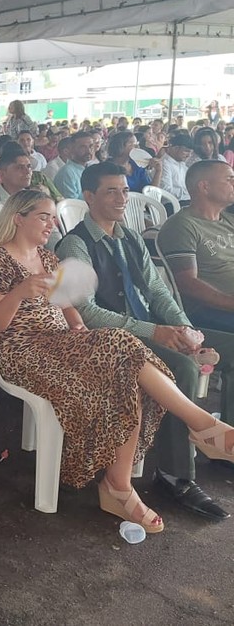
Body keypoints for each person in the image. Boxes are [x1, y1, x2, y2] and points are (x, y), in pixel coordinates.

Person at [0, 189, 234, 532]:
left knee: (123, 367)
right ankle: (196, 430)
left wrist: (76, 323)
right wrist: (19, 292)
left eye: (52, 217)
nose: (51, 224)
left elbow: (65, 304)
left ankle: (119, 486)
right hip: (24, 351)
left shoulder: (47, 258)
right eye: (43, 217)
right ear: (18, 218)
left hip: (62, 342)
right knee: (120, 343)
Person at [56, 161, 233, 520]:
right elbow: (87, 313)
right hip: (115, 338)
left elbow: (157, 291)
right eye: (111, 191)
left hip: (150, 326)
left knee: (224, 348)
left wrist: (187, 330)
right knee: (180, 367)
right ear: (88, 196)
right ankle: (175, 475)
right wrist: (157, 332)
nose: (122, 198)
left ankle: (224, 443)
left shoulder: (130, 237)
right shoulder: (76, 244)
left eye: (124, 190)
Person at [158, 160, 234, 334]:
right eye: (229, 179)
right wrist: (231, 303)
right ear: (204, 187)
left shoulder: (229, 220)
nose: (233, 184)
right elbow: (186, 283)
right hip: (211, 310)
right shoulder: (182, 226)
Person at [54, 132, 97, 200]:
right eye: (83, 147)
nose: (89, 151)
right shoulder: (67, 172)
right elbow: (72, 205)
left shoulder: (91, 169)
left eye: (91, 146)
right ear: (71, 149)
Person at [158, 131, 194, 204]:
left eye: (191, 152)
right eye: (186, 151)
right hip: (170, 204)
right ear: (175, 148)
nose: (189, 155)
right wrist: (187, 192)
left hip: (185, 201)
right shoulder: (164, 164)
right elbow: (166, 191)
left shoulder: (183, 165)